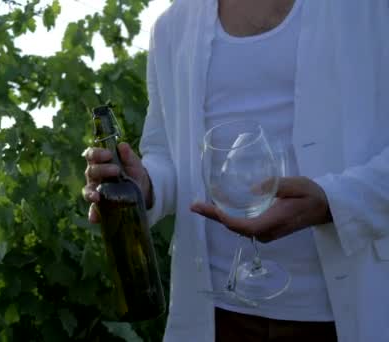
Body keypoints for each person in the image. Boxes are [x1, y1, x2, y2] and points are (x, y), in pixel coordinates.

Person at [82, 0, 389, 341]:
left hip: (347, 313)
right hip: (218, 316)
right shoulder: (172, 26)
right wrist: (146, 183)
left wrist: (333, 201)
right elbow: (166, 155)